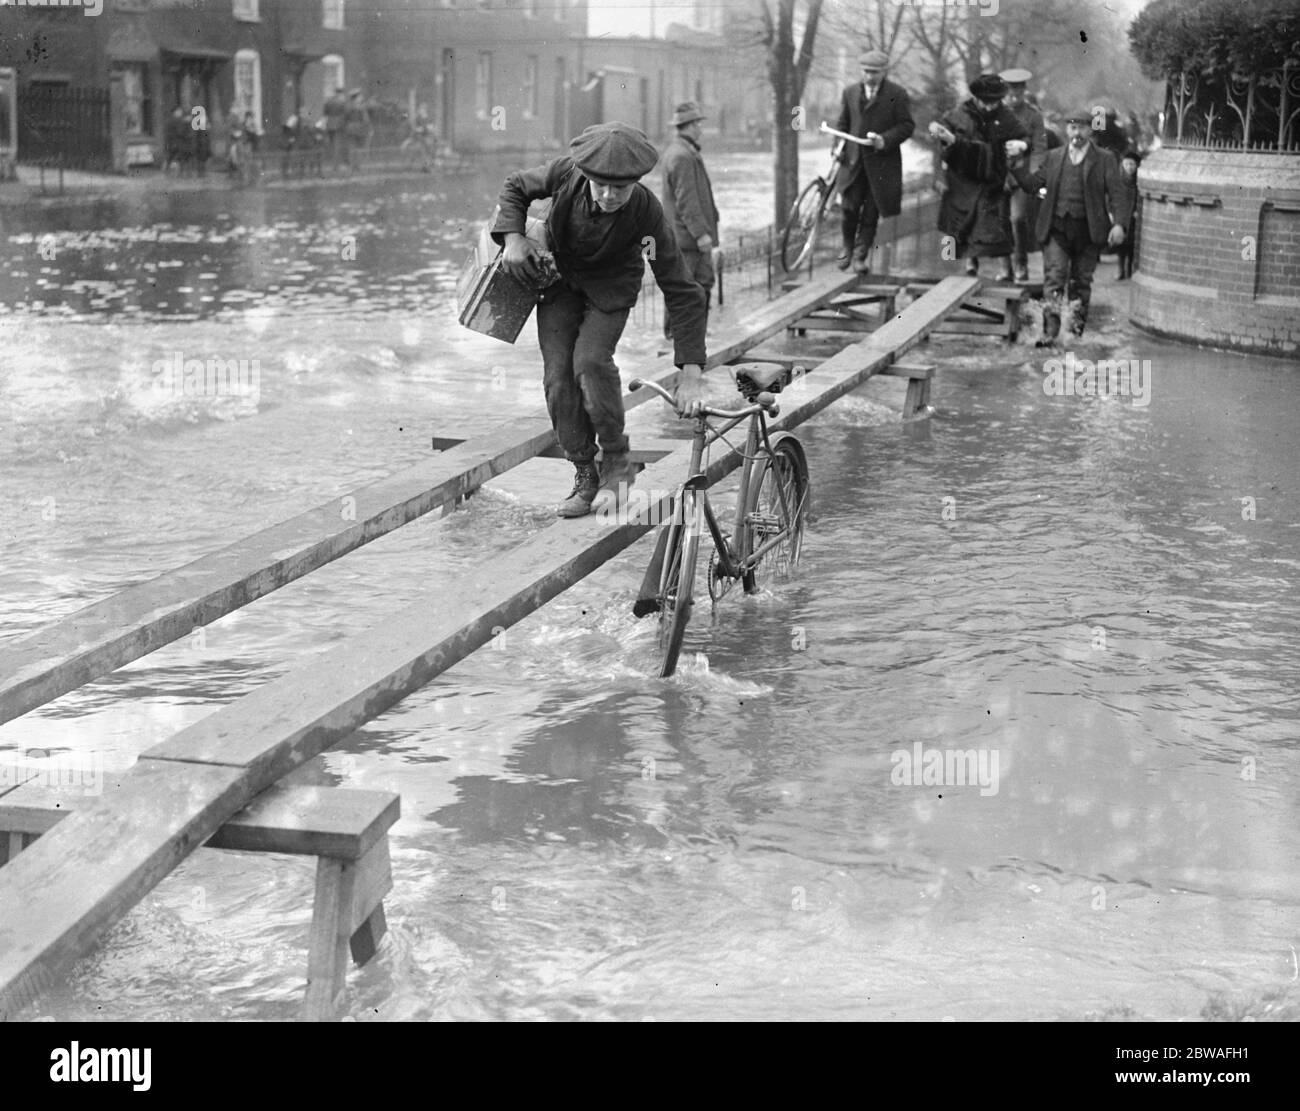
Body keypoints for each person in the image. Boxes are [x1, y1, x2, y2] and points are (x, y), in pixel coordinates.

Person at [492, 122, 709, 518]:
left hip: (609, 291)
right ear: (585, 176)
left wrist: (691, 373)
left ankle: (616, 462)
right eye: (600, 186)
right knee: (558, 377)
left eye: (620, 189)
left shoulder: (646, 215)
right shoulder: (564, 175)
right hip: (559, 282)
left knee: (590, 363)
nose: (609, 196)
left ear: (636, 182)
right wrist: (513, 238)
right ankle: (583, 471)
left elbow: (681, 289)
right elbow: (515, 186)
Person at [1007, 108, 1134, 344]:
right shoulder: (1054, 157)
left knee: (1081, 283)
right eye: (1073, 128)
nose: (1077, 133)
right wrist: (1016, 165)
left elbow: (1118, 194)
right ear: (1067, 130)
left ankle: (1075, 335)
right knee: (1054, 278)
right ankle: (1050, 334)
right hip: (1056, 228)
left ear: (1090, 130)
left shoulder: (1105, 159)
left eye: (1082, 128)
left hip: (1088, 231)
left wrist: (1119, 225)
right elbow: (1033, 183)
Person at [930, 73, 1027, 277]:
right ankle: (968, 264)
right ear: (975, 98)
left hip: (991, 178)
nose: (991, 107)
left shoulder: (1005, 115)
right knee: (962, 224)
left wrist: (1022, 144)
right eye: (986, 102)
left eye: (995, 102)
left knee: (996, 224)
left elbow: (1023, 135)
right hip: (962, 179)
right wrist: (943, 138)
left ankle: (1005, 268)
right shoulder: (957, 115)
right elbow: (940, 145)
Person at [833, 49, 915, 273]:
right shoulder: (850, 92)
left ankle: (860, 255)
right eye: (866, 71)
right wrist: (837, 148)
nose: (869, 76)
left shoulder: (897, 94)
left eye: (875, 72)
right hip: (853, 163)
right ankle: (847, 247)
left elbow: (907, 126)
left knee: (871, 211)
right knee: (849, 207)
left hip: (882, 164)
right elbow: (842, 125)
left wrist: (885, 140)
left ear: (884, 72)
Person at [659, 100, 720, 340]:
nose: (701, 129)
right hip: (687, 239)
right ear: (690, 126)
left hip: (691, 238)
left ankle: (695, 333)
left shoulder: (685, 152)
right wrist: (701, 234)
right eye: (698, 124)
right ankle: (676, 335)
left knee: (702, 283)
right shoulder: (682, 156)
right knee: (685, 288)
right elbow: (687, 201)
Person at [999, 68, 1047, 282]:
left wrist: (1034, 174)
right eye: (1009, 94)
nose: (1013, 98)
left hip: (1022, 177)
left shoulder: (1034, 116)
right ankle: (1005, 266)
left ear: (1024, 91)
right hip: (998, 176)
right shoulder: (995, 114)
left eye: (1017, 94)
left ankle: (1021, 265)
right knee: (1000, 222)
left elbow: (1040, 147)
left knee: (1018, 219)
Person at [1114, 147, 1141, 280]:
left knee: (1131, 244)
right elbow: (1112, 198)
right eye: (1126, 164)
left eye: (1132, 164)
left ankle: (1129, 268)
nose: (1129, 167)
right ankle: (1120, 269)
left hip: (1133, 217)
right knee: (1120, 243)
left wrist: (1138, 211)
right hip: (1121, 216)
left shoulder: (1139, 182)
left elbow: (1140, 199)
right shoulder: (1118, 180)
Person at [343, 89, 370, 172]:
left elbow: (345, 118)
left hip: (350, 128)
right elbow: (366, 120)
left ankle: (352, 166)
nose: (361, 97)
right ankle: (357, 166)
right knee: (358, 148)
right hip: (359, 128)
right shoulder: (361, 107)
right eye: (359, 96)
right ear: (356, 97)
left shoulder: (348, 106)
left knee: (352, 147)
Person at [323, 87, 346, 170]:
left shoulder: (328, 102)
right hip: (338, 125)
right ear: (340, 94)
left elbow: (325, 113)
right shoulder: (341, 102)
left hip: (330, 124)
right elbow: (344, 114)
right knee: (337, 145)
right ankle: (336, 165)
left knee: (332, 145)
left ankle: (332, 164)